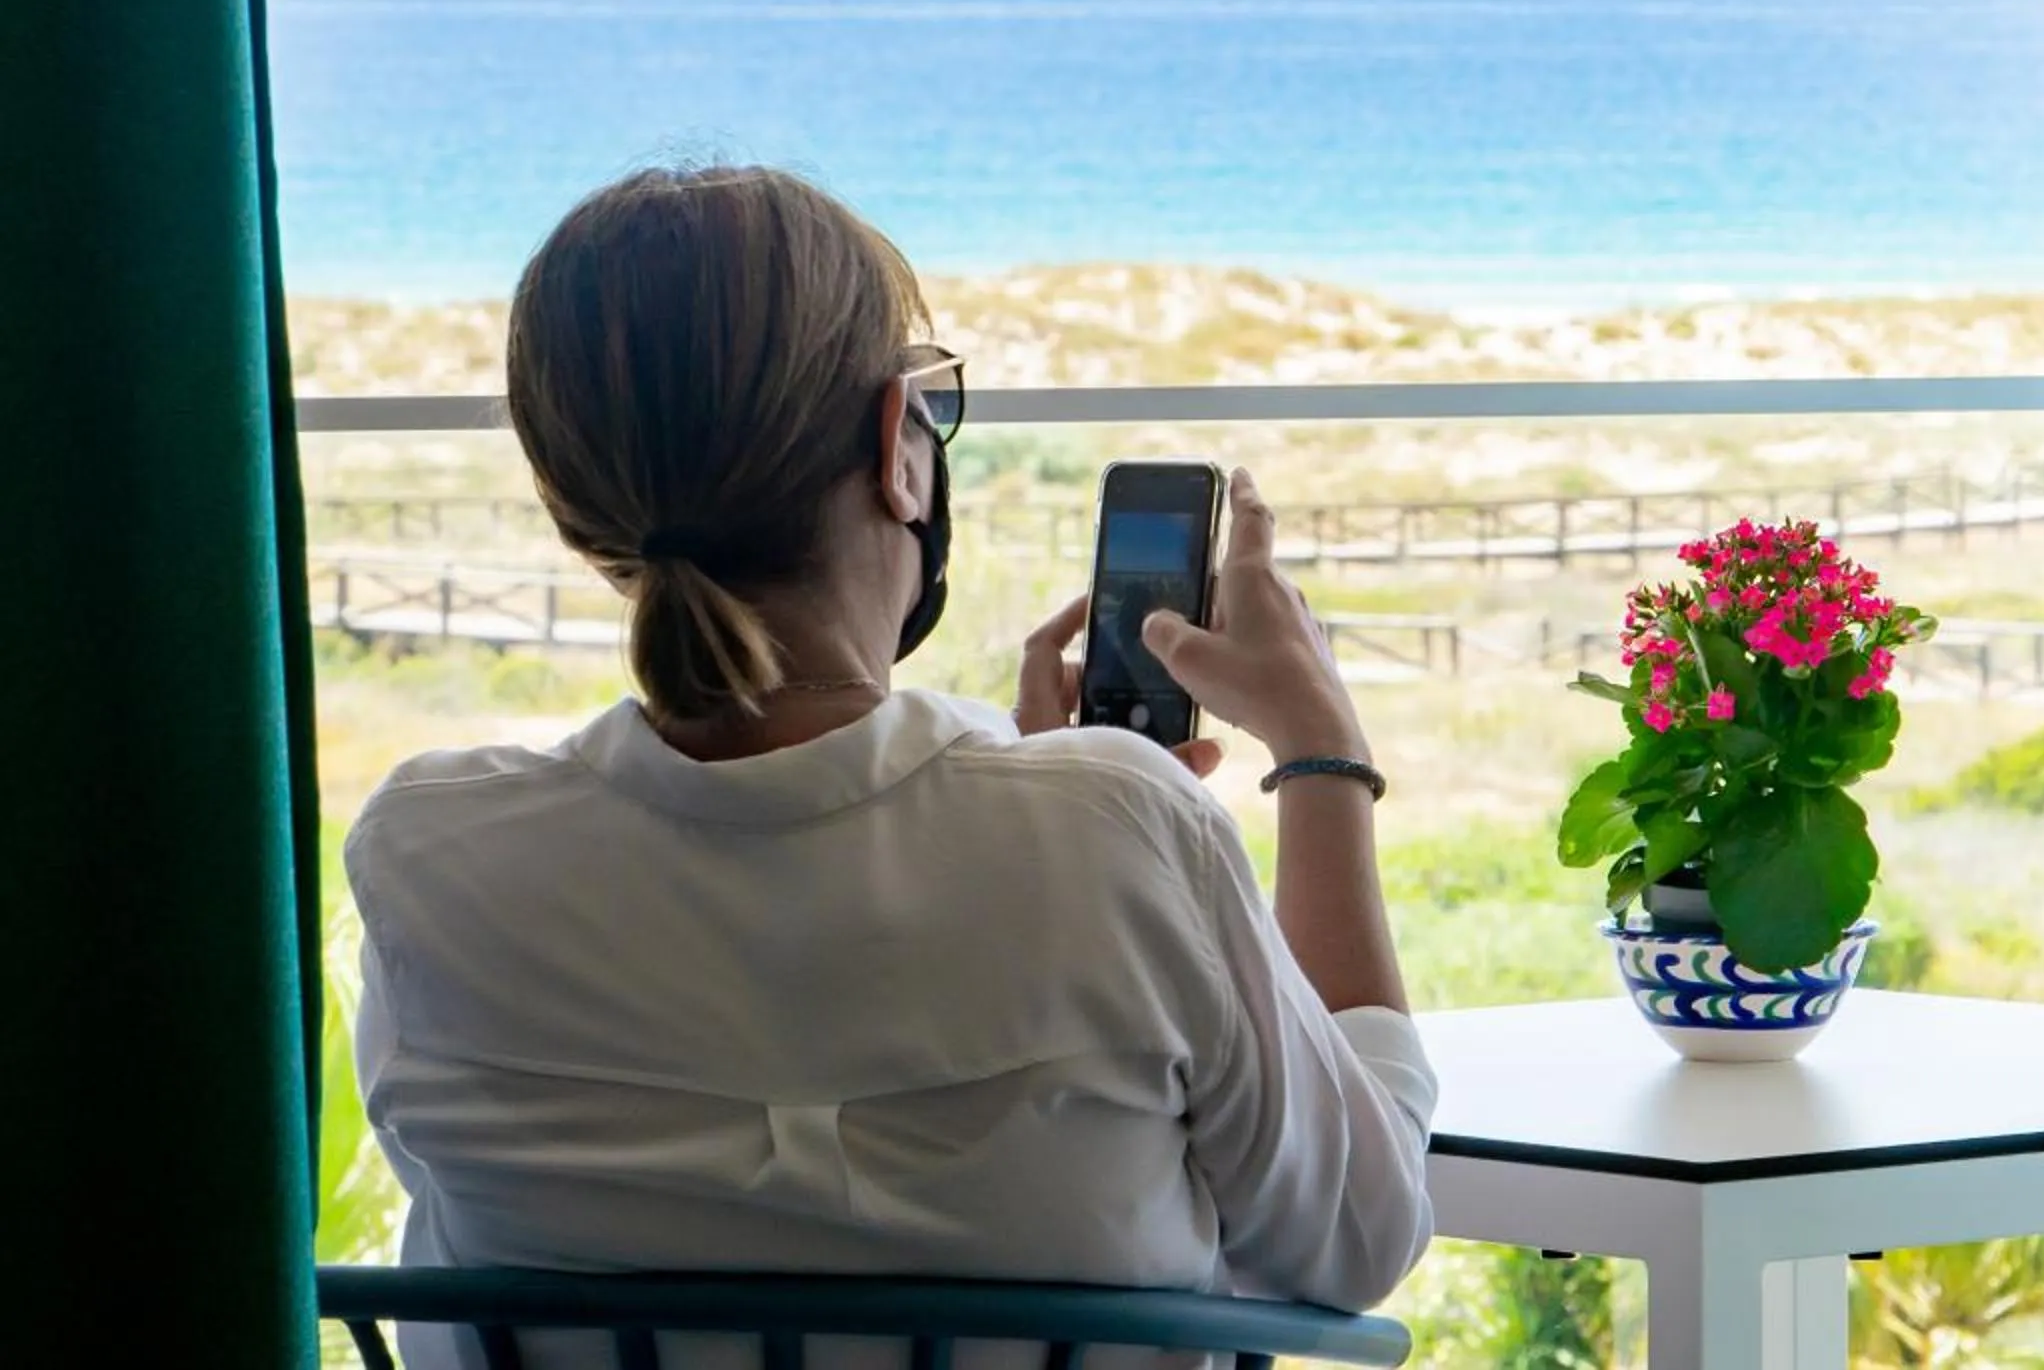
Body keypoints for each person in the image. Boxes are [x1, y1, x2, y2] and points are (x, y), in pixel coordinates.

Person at [345, 166, 1430, 1369]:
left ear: (573, 502)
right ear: (895, 450)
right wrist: (1321, 757)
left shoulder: (429, 853)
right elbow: (1357, 1237)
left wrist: (1057, 801)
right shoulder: (1115, 828)